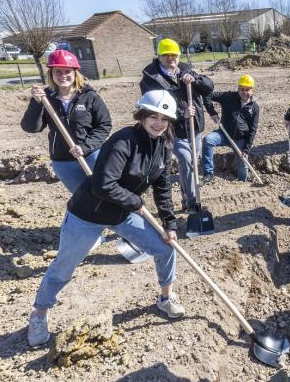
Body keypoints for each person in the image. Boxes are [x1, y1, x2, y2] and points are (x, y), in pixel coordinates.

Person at [27, 90, 184, 347]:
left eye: (164, 118)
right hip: (88, 214)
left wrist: (170, 224)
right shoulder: (124, 141)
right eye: (153, 116)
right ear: (142, 116)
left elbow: (163, 187)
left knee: (166, 248)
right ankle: (39, 313)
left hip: (122, 214)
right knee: (64, 267)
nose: (158, 123)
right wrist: (135, 202)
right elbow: (103, 184)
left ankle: (166, 298)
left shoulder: (164, 146)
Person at [21, 49, 112, 192]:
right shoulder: (46, 98)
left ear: (75, 73)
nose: (63, 76)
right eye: (57, 71)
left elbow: (104, 125)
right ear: (51, 74)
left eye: (67, 71)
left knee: (106, 193)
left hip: (92, 156)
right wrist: (36, 103)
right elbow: (31, 128)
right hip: (63, 161)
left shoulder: (89, 96)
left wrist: (85, 147)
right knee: (82, 198)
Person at [140, 38, 213, 212]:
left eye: (174, 55)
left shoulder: (186, 70)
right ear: (159, 56)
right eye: (166, 55)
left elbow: (208, 87)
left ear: (179, 56)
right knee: (186, 161)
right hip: (171, 129)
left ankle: (187, 198)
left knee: (193, 162)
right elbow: (153, 108)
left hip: (194, 127)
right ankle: (192, 203)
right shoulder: (150, 79)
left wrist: (194, 79)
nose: (170, 58)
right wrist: (182, 114)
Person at [201, 74, 259, 182]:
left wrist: (246, 149)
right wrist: (212, 112)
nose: (244, 92)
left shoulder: (254, 107)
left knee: (243, 163)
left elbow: (253, 129)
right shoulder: (228, 96)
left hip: (240, 139)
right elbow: (207, 95)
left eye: (247, 90)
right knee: (208, 140)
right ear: (238, 88)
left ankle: (242, 182)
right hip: (223, 134)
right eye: (242, 89)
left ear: (252, 90)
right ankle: (208, 173)